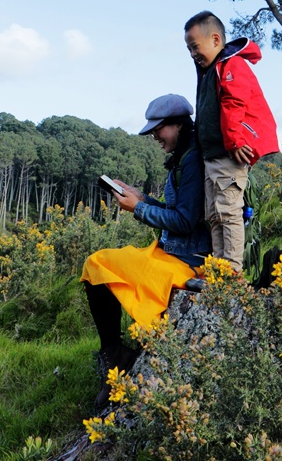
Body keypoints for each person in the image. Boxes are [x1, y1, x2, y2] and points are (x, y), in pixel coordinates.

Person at [81, 93, 211, 409]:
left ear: (179, 124)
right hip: (170, 252)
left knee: (101, 263)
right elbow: (177, 211)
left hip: (186, 262)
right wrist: (141, 198)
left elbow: (184, 220)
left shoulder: (193, 161)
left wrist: (138, 209)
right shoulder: (184, 158)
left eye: (159, 129)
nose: (154, 136)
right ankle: (115, 356)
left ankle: (116, 357)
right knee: (97, 265)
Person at [184, 11, 278, 274]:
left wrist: (236, 141)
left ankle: (233, 272)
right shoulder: (210, 71)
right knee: (214, 215)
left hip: (229, 154)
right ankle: (219, 268)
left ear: (215, 39)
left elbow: (235, 103)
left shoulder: (232, 65)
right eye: (189, 49)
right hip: (212, 156)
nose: (192, 53)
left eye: (194, 46)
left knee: (228, 211)